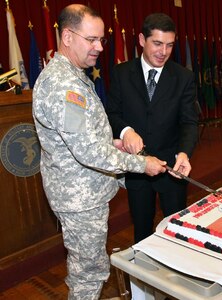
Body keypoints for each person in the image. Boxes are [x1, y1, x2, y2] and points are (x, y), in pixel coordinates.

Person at [32, 4, 166, 299]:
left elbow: (82, 138)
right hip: (80, 200)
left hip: (85, 194)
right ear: (67, 37)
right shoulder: (63, 86)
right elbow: (87, 153)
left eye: (101, 40)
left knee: (87, 268)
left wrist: (114, 143)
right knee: (89, 275)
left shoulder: (72, 75)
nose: (99, 48)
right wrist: (142, 164)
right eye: (91, 39)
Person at [106, 13, 198, 243]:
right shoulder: (120, 73)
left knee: (176, 232)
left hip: (172, 169)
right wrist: (126, 130)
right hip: (137, 167)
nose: (163, 52)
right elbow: (112, 114)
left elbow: (189, 121)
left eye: (169, 45)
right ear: (141, 40)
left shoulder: (183, 77)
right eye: (157, 43)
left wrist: (185, 153)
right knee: (142, 230)